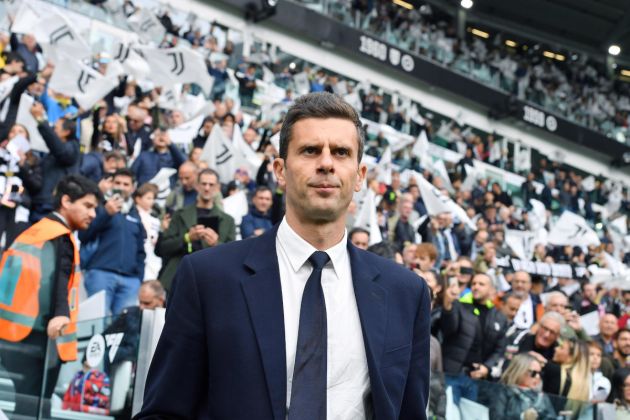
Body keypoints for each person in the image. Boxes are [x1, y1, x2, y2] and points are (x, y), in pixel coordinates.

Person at [137, 92, 430, 419]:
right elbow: (164, 411)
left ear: (360, 175)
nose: (326, 163)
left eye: (341, 152)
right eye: (310, 150)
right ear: (280, 169)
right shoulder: (207, 277)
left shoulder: (406, 293)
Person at [0, 174, 99, 417]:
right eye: (87, 206)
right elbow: (58, 279)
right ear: (66, 201)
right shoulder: (58, 235)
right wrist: (61, 315)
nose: (93, 214)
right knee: (34, 409)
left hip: (12, 332)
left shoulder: (35, 232)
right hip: (38, 338)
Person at [79, 168, 146, 315]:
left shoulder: (135, 215)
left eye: (125, 184)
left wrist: (138, 278)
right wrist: (105, 213)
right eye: (118, 183)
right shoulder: (98, 207)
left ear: (133, 188)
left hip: (130, 280)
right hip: (101, 273)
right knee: (95, 324)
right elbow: (83, 235)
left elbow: (140, 250)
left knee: (121, 331)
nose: (121, 187)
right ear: (111, 184)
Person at [156, 168, 236, 291]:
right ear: (197, 186)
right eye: (204, 184)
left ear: (217, 187)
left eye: (211, 184)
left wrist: (216, 244)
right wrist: (187, 238)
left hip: (210, 279)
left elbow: (232, 257)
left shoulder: (228, 221)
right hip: (179, 276)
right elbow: (164, 247)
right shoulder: (180, 214)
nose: (207, 188)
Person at [28, 101, 81, 222]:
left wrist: (40, 120)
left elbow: (59, 150)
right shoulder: (53, 153)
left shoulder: (72, 147)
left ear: (66, 132)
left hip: (50, 206)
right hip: (40, 204)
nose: (52, 130)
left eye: (55, 128)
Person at [460, 273, 508, 380]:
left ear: (491, 290)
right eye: (473, 283)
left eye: (481, 284)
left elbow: (500, 348)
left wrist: (486, 367)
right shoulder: (460, 308)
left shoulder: (499, 317)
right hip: (457, 370)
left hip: (481, 375)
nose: (476, 287)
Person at [491, 353, 556, 420]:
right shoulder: (503, 392)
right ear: (520, 370)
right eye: (533, 373)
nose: (537, 377)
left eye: (540, 373)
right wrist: (521, 417)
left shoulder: (542, 396)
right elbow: (496, 417)